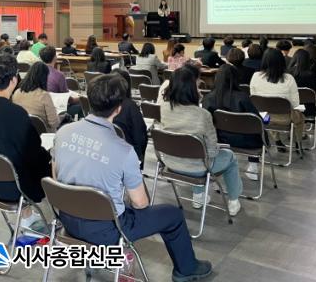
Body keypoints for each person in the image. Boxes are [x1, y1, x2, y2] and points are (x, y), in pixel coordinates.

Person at [54, 73, 212, 282]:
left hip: (67, 220)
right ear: (119, 108)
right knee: (172, 215)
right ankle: (187, 269)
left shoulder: (63, 132)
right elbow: (140, 203)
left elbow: (56, 176)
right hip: (107, 230)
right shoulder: (124, 151)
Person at [0, 54, 51, 230]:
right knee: (44, 161)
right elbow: (33, 154)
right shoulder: (17, 113)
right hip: (14, 187)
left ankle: (27, 214)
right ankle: (33, 216)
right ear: (14, 80)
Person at [161, 64, 243, 214]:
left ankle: (198, 197)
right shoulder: (203, 115)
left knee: (195, 152)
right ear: (193, 88)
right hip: (197, 168)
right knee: (229, 157)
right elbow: (212, 152)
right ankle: (233, 201)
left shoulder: (165, 108)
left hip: (170, 163)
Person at [202, 64, 263, 181]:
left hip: (219, 140)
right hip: (246, 141)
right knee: (258, 131)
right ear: (235, 79)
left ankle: (217, 168)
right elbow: (257, 121)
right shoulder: (243, 97)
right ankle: (253, 167)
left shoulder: (208, 98)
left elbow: (206, 122)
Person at [250, 48, 305, 146]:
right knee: (300, 116)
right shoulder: (289, 78)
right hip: (286, 119)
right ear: (282, 61)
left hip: (264, 118)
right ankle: (298, 143)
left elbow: (254, 99)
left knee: (267, 109)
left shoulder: (255, 76)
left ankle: (277, 140)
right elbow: (295, 104)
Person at [114, 69, 148, 168]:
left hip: (105, 152)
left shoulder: (101, 103)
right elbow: (141, 137)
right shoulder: (130, 106)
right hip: (127, 155)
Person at [13, 62, 60, 131]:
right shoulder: (44, 96)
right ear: (44, 77)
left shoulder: (17, 92)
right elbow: (54, 123)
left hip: (22, 132)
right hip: (43, 134)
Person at [40, 46, 83, 119]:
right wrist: (81, 98)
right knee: (81, 105)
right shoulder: (59, 75)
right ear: (55, 57)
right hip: (56, 109)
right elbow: (67, 99)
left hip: (42, 106)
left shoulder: (37, 73)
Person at [289, 49, 316, 118]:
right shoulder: (310, 75)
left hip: (292, 107)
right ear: (307, 60)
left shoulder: (288, 74)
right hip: (309, 108)